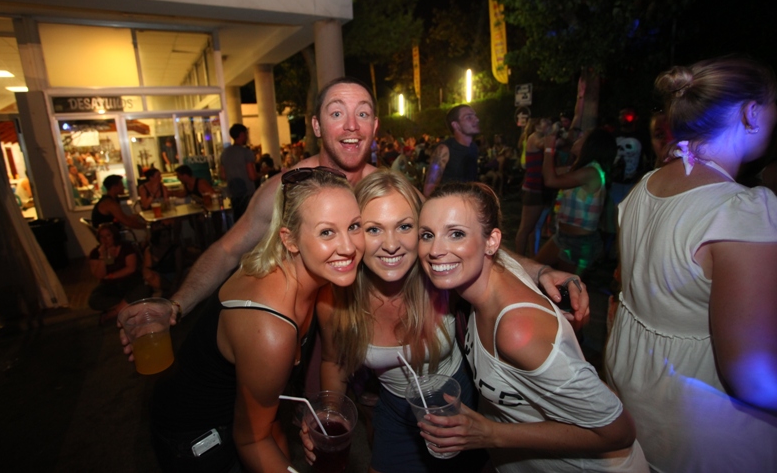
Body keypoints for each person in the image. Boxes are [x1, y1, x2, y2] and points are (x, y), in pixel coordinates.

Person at [121, 77, 588, 357]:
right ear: (317, 126)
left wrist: (537, 270)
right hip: (300, 330)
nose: (351, 125)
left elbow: (460, 240)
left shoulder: (387, 189)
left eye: (362, 114)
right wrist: (175, 305)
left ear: (374, 127)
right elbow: (227, 249)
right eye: (337, 113)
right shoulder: (286, 188)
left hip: (368, 327)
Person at [605, 56, 777, 471]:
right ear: (752, 113)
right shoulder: (741, 211)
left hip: (638, 403)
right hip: (706, 428)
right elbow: (752, 378)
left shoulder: (646, 186)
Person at [416, 182, 647, 472]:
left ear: (492, 242)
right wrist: (544, 270)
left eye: (456, 234)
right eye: (427, 235)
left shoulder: (517, 332)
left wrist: (490, 434)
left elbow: (620, 432)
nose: (436, 250)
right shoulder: (496, 272)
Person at [150, 167, 364, 472]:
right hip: (195, 437)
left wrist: (327, 413)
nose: (348, 247)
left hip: (248, 417)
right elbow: (252, 440)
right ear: (290, 240)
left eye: (354, 226)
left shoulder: (318, 275)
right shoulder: (270, 328)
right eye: (327, 232)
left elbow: (269, 417)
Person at [304, 169, 487, 472]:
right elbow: (334, 362)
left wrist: (541, 272)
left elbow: (486, 252)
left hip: (458, 401)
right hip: (395, 414)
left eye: (404, 226)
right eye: (373, 229)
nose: (391, 245)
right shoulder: (334, 300)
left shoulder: (441, 275)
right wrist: (332, 413)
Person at [536, 128, 617, 274]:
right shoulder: (580, 169)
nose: (576, 140)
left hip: (579, 242)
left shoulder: (591, 172)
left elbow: (550, 180)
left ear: (591, 146)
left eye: (582, 138)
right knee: (534, 270)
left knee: (565, 285)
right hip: (563, 236)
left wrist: (549, 149)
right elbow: (549, 174)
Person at [88, 223, 150, 323]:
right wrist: (102, 257)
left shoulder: (126, 247)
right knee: (94, 300)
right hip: (110, 285)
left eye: (108, 235)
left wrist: (112, 276)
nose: (105, 239)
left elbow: (131, 268)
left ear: (114, 236)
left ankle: (113, 313)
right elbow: (99, 275)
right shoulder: (95, 253)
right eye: (102, 237)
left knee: (143, 289)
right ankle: (129, 306)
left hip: (130, 280)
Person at [423, 105, 480, 197]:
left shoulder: (473, 147)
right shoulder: (444, 149)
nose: (477, 119)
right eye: (469, 117)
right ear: (456, 125)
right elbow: (429, 190)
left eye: (475, 116)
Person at [515, 117, 552, 256]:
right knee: (526, 228)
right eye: (546, 123)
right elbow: (542, 144)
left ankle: (532, 257)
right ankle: (518, 260)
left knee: (534, 228)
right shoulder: (534, 137)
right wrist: (553, 133)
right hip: (533, 188)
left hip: (540, 188)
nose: (549, 125)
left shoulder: (540, 138)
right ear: (537, 126)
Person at [219, 123, 258, 220]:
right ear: (242, 134)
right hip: (247, 194)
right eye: (246, 134)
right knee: (250, 220)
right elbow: (252, 176)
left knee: (238, 220)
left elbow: (223, 176)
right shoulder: (246, 152)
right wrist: (262, 173)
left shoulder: (225, 153)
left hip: (233, 194)